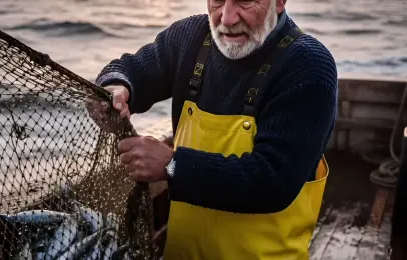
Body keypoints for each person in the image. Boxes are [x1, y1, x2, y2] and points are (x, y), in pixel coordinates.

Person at [88, 0, 338, 259]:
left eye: (245, 1)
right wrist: (115, 89)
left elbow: (272, 182)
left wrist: (172, 166)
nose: (227, 19)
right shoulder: (190, 37)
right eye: (217, 1)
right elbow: (131, 70)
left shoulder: (309, 67)